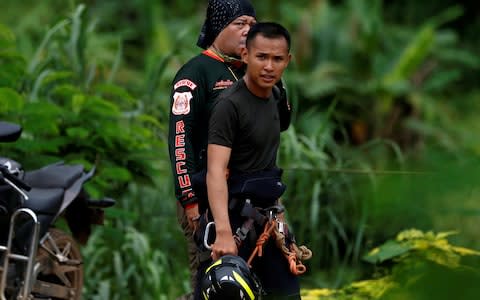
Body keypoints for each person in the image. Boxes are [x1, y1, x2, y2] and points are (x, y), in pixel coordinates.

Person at [167, 0, 291, 298]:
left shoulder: (255, 72)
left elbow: (281, 122)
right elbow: (179, 143)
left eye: (252, 24)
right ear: (218, 28)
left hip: (257, 196)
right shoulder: (195, 74)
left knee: (266, 281)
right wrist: (190, 203)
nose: (248, 30)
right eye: (239, 24)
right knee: (218, 281)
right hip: (208, 198)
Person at [203, 22, 301, 299]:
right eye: (262, 57)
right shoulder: (229, 106)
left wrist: (281, 224)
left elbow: (267, 166)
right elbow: (215, 171)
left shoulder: (277, 97)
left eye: (277, 59)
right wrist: (222, 232)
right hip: (233, 223)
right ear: (245, 56)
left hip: (269, 220)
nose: (269, 66)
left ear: (287, 61)